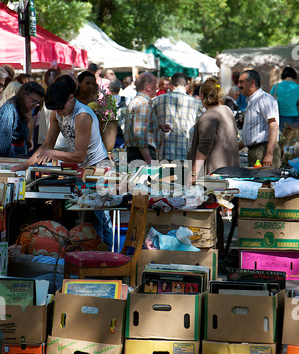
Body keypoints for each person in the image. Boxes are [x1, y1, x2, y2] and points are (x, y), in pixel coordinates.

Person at [12, 81, 113, 249]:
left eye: (61, 108)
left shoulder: (82, 116)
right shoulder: (56, 113)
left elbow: (79, 155)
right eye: (55, 109)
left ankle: (104, 258)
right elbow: (46, 146)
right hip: (83, 168)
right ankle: (92, 255)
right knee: (88, 217)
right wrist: (24, 165)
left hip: (98, 165)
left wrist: (53, 154)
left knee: (94, 217)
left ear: (71, 98)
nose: (59, 112)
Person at [189, 77, 240, 181]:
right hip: (231, 171)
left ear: (202, 96)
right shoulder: (227, 110)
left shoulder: (208, 116)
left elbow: (204, 147)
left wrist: (193, 173)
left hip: (215, 174)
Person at [152, 72, 204, 161]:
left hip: (163, 152)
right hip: (186, 152)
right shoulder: (197, 104)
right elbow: (204, 127)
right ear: (187, 85)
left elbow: (148, 121)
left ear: (171, 85)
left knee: (164, 175)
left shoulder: (157, 100)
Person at [124, 72, 172, 164]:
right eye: (155, 85)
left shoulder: (138, 101)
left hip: (136, 152)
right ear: (149, 87)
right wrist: (148, 159)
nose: (157, 88)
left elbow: (138, 126)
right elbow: (139, 134)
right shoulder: (143, 104)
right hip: (141, 154)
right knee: (149, 178)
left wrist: (157, 125)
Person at [238, 69, 281, 168]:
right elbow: (252, 134)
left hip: (263, 150)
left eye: (241, 82)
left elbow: (274, 126)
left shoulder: (264, 99)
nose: (238, 85)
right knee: (255, 183)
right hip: (255, 151)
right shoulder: (252, 100)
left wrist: (269, 154)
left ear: (252, 83)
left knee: (265, 182)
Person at [0, 81, 45, 157]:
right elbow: (4, 147)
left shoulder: (20, 108)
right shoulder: (9, 112)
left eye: (37, 103)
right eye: (33, 101)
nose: (34, 105)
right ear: (24, 94)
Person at [270, 66, 299, 131]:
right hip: (294, 116)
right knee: (293, 140)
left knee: (280, 139)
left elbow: (269, 100)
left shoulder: (276, 86)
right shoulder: (298, 88)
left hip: (279, 117)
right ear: (294, 75)